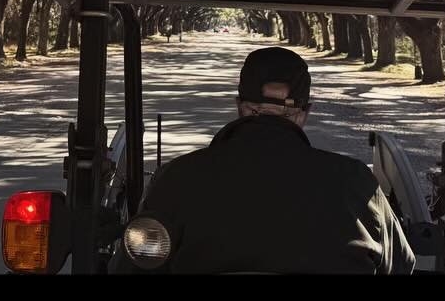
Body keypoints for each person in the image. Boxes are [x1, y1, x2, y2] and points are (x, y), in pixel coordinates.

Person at [113, 46, 415, 275]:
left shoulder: (176, 178)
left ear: (241, 107)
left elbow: (133, 264)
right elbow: (401, 265)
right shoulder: (356, 182)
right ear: (304, 114)